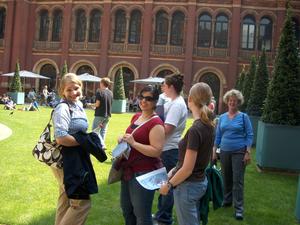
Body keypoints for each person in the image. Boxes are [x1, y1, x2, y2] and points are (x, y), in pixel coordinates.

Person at [159, 82, 215, 225]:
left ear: (190, 99)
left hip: (188, 186)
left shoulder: (196, 130)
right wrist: (172, 172)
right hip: (199, 182)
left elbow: (187, 168)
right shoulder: (209, 125)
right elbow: (187, 163)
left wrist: (169, 185)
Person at [119, 85, 165, 225]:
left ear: (155, 102)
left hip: (144, 173)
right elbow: (133, 136)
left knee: (142, 214)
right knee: (127, 209)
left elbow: (157, 151)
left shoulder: (157, 123)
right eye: (141, 97)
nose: (144, 101)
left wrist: (133, 143)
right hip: (128, 170)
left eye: (148, 99)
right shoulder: (136, 116)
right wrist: (123, 139)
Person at [51, 73, 93, 225]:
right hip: (66, 160)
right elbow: (61, 137)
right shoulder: (63, 108)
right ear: (62, 91)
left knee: (66, 198)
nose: (74, 92)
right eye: (69, 90)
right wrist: (85, 142)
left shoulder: (78, 105)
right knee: (81, 202)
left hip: (75, 158)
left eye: (76, 88)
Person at [212, 89, 253, 221]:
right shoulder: (222, 117)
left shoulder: (243, 117)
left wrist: (247, 152)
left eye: (234, 101)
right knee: (226, 177)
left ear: (238, 102)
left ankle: (239, 208)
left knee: (238, 180)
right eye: (230, 100)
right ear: (227, 102)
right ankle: (227, 200)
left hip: (239, 152)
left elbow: (250, 135)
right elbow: (218, 136)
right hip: (224, 151)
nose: (232, 102)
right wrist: (214, 151)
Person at [153, 73, 188, 225]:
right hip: (167, 149)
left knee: (167, 184)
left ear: (171, 87)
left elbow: (167, 129)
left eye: (165, 85)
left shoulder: (177, 105)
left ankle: (165, 217)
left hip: (170, 150)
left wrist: (152, 130)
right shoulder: (173, 102)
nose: (162, 88)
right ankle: (162, 214)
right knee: (163, 183)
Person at [92, 77, 113, 149]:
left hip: (99, 114)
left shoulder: (99, 92)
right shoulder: (110, 93)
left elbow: (97, 104)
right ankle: (101, 146)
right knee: (103, 131)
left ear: (102, 83)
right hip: (108, 115)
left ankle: (102, 144)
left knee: (95, 130)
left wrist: (90, 105)